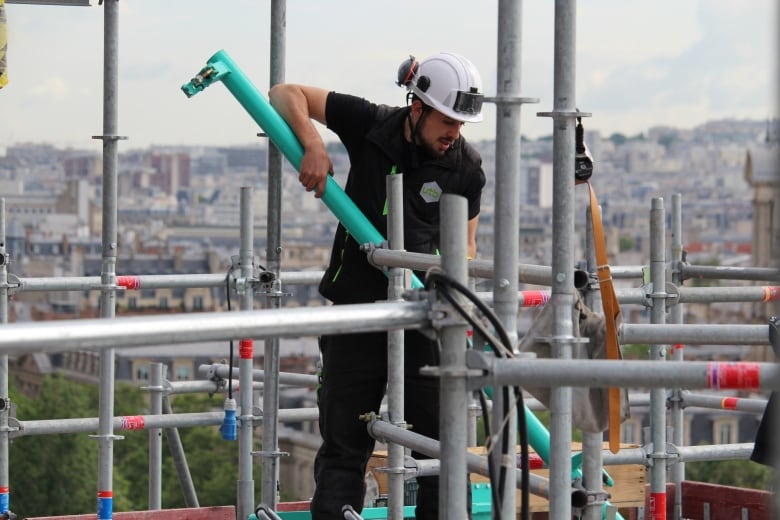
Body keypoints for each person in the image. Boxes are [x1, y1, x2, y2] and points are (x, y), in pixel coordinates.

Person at [269, 52, 486, 520]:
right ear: (417, 108)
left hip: (424, 316)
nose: (454, 133)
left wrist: (440, 277)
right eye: (447, 120)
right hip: (357, 310)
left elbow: (467, 247)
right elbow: (285, 94)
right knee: (345, 446)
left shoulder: (466, 167)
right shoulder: (371, 124)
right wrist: (314, 144)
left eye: (461, 124)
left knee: (442, 451)